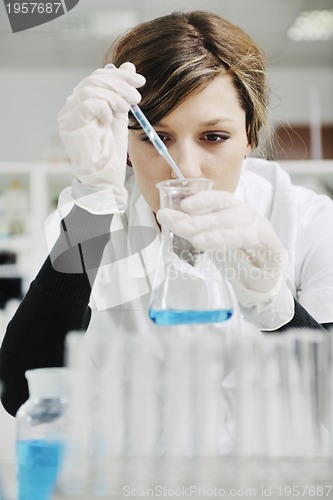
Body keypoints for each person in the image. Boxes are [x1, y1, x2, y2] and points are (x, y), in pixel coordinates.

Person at [1, 10, 333, 418]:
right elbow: (22, 394)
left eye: (214, 137)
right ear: (126, 145)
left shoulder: (308, 220)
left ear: (249, 136)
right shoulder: (92, 226)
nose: (187, 168)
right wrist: (92, 203)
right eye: (156, 138)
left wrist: (276, 306)